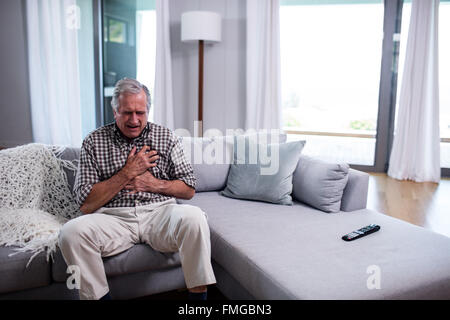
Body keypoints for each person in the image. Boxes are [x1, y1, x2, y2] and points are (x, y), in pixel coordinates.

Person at [58, 78, 216, 300]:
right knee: (71, 233)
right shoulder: (93, 142)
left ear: (148, 111)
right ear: (115, 111)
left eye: (140, 112)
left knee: (194, 217)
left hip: (159, 213)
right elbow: (86, 204)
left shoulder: (166, 137)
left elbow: (189, 188)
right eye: (127, 113)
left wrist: (154, 184)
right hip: (113, 217)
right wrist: (127, 173)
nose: (134, 119)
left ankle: (198, 302)